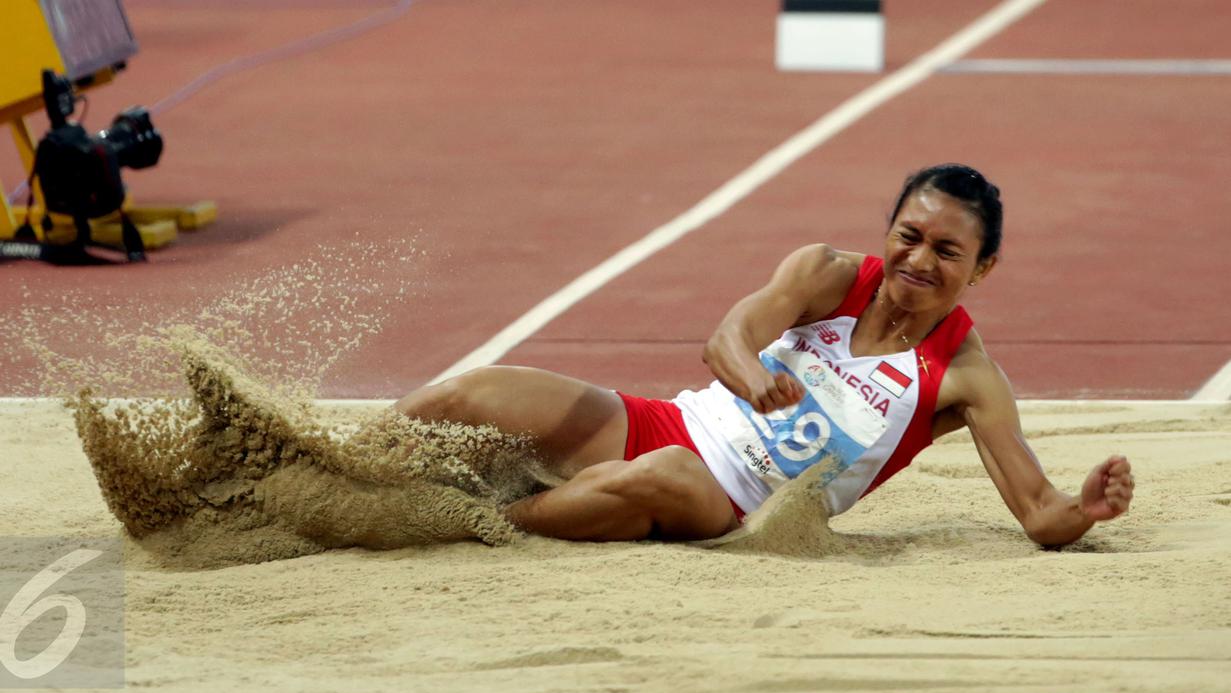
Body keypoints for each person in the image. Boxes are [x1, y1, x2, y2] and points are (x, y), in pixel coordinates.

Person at [395, 164, 1134, 545]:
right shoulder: (827, 273)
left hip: (729, 501)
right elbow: (727, 338)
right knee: (480, 391)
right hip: (661, 423)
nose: (917, 259)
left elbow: (1039, 513)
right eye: (907, 236)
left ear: (980, 269)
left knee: (661, 474)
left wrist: (1085, 510)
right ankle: (324, 461)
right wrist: (752, 378)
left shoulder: (965, 376)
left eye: (946, 251)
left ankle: (475, 522)